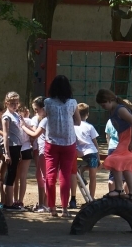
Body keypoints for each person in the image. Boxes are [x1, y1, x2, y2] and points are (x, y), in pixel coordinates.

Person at [96, 89, 132, 202]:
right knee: (125, 166)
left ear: (110, 100)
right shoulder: (112, 111)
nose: (103, 107)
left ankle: (119, 189)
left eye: (104, 105)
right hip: (125, 137)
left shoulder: (120, 109)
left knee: (114, 159)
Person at [42, 75, 81, 217]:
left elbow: (44, 117)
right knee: (65, 175)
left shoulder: (47, 102)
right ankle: (64, 208)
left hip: (51, 142)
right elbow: (78, 122)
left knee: (50, 175)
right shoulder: (72, 103)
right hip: (68, 142)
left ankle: (52, 207)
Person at [0, 91, 25, 211]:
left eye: (16, 103)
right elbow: (5, 135)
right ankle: (8, 204)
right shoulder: (6, 116)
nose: (15, 105)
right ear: (6, 103)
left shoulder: (16, 115)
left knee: (13, 174)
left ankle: (9, 202)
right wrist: (7, 153)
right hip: (11, 147)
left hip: (17, 147)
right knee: (10, 174)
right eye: (12, 103)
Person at [74, 102, 100, 201]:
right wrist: (98, 155)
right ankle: (91, 197)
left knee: (93, 168)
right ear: (87, 114)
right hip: (90, 151)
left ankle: (82, 169)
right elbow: (94, 142)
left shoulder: (73, 126)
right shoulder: (89, 126)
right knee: (93, 176)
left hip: (79, 152)